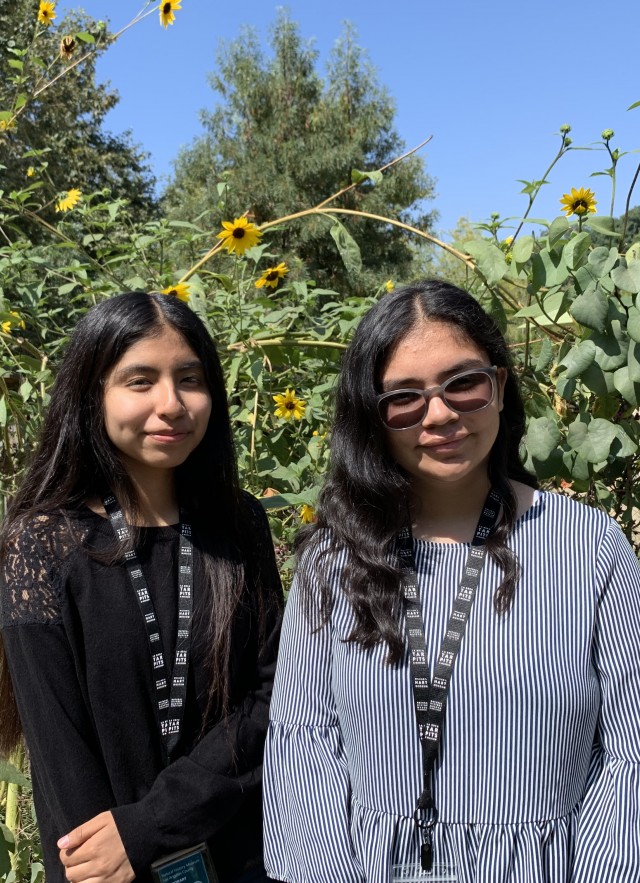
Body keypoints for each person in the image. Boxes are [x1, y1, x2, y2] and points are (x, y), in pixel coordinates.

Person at [263, 279, 640, 883]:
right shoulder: (336, 562)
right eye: (405, 398)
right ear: (375, 416)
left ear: (500, 385)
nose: (439, 415)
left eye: (463, 383)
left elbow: (628, 754)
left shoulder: (588, 549)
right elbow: (305, 746)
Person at [0, 292, 283, 883]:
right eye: (140, 380)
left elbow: (269, 698)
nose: (171, 404)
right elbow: (58, 745)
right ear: (92, 393)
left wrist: (151, 823)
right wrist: (116, 851)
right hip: (98, 867)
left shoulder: (239, 525)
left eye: (189, 379)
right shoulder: (42, 542)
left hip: (239, 853)